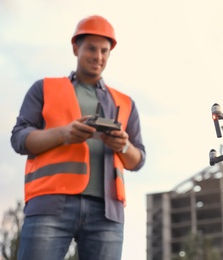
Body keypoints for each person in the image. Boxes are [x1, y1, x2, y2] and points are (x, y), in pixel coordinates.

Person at [10, 15, 146, 260]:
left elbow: (138, 160)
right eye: (91, 49)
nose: (98, 57)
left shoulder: (125, 103)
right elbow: (19, 139)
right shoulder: (44, 89)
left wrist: (123, 145)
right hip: (50, 205)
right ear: (75, 48)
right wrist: (63, 134)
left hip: (107, 212)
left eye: (104, 51)